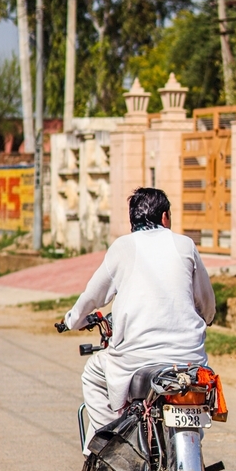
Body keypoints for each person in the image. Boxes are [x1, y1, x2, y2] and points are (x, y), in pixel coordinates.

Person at [62, 187, 216, 451]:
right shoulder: (185, 245)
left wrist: (72, 320)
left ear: (133, 220)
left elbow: (92, 296)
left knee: (92, 374)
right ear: (165, 217)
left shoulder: (123, 247)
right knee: (196, 391)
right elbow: (206, 302)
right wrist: (208, 317)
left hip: (135, 360)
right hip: (188, 359)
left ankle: (108, 449)